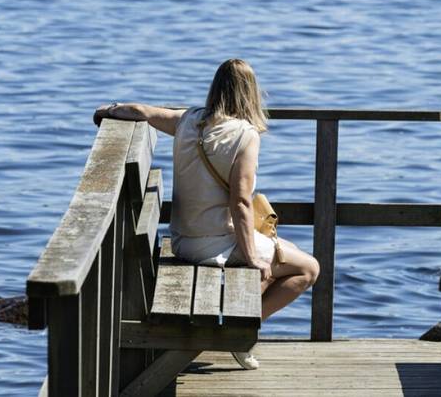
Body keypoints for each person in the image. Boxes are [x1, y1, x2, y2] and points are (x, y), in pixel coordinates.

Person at [92, 59, 320, 370]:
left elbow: (143, 112)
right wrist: (252, 258)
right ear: (250, 94)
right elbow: (240, 202)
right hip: (215, 245)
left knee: (285, 252)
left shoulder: (187, 120)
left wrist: (110, 108)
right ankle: (240, 333)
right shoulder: (245, 135)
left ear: (215, 88)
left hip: (184, 240)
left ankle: (241, 324)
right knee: (308, 269)